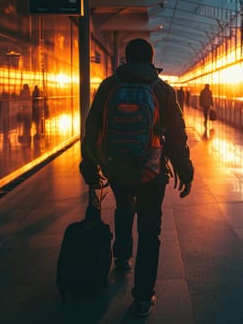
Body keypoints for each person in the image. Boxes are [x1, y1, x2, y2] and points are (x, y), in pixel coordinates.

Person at [80, 38, 194, 317]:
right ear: (151, 60)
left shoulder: (109, 86)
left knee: (122, 207)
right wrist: (184, 169)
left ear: (126, 60)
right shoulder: (162, 90)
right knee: (149, 229)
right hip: (151, 171)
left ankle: (121, 257)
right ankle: (143, 296)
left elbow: (92, 125)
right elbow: (177, 136)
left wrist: (90, 163)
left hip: (116, 166)